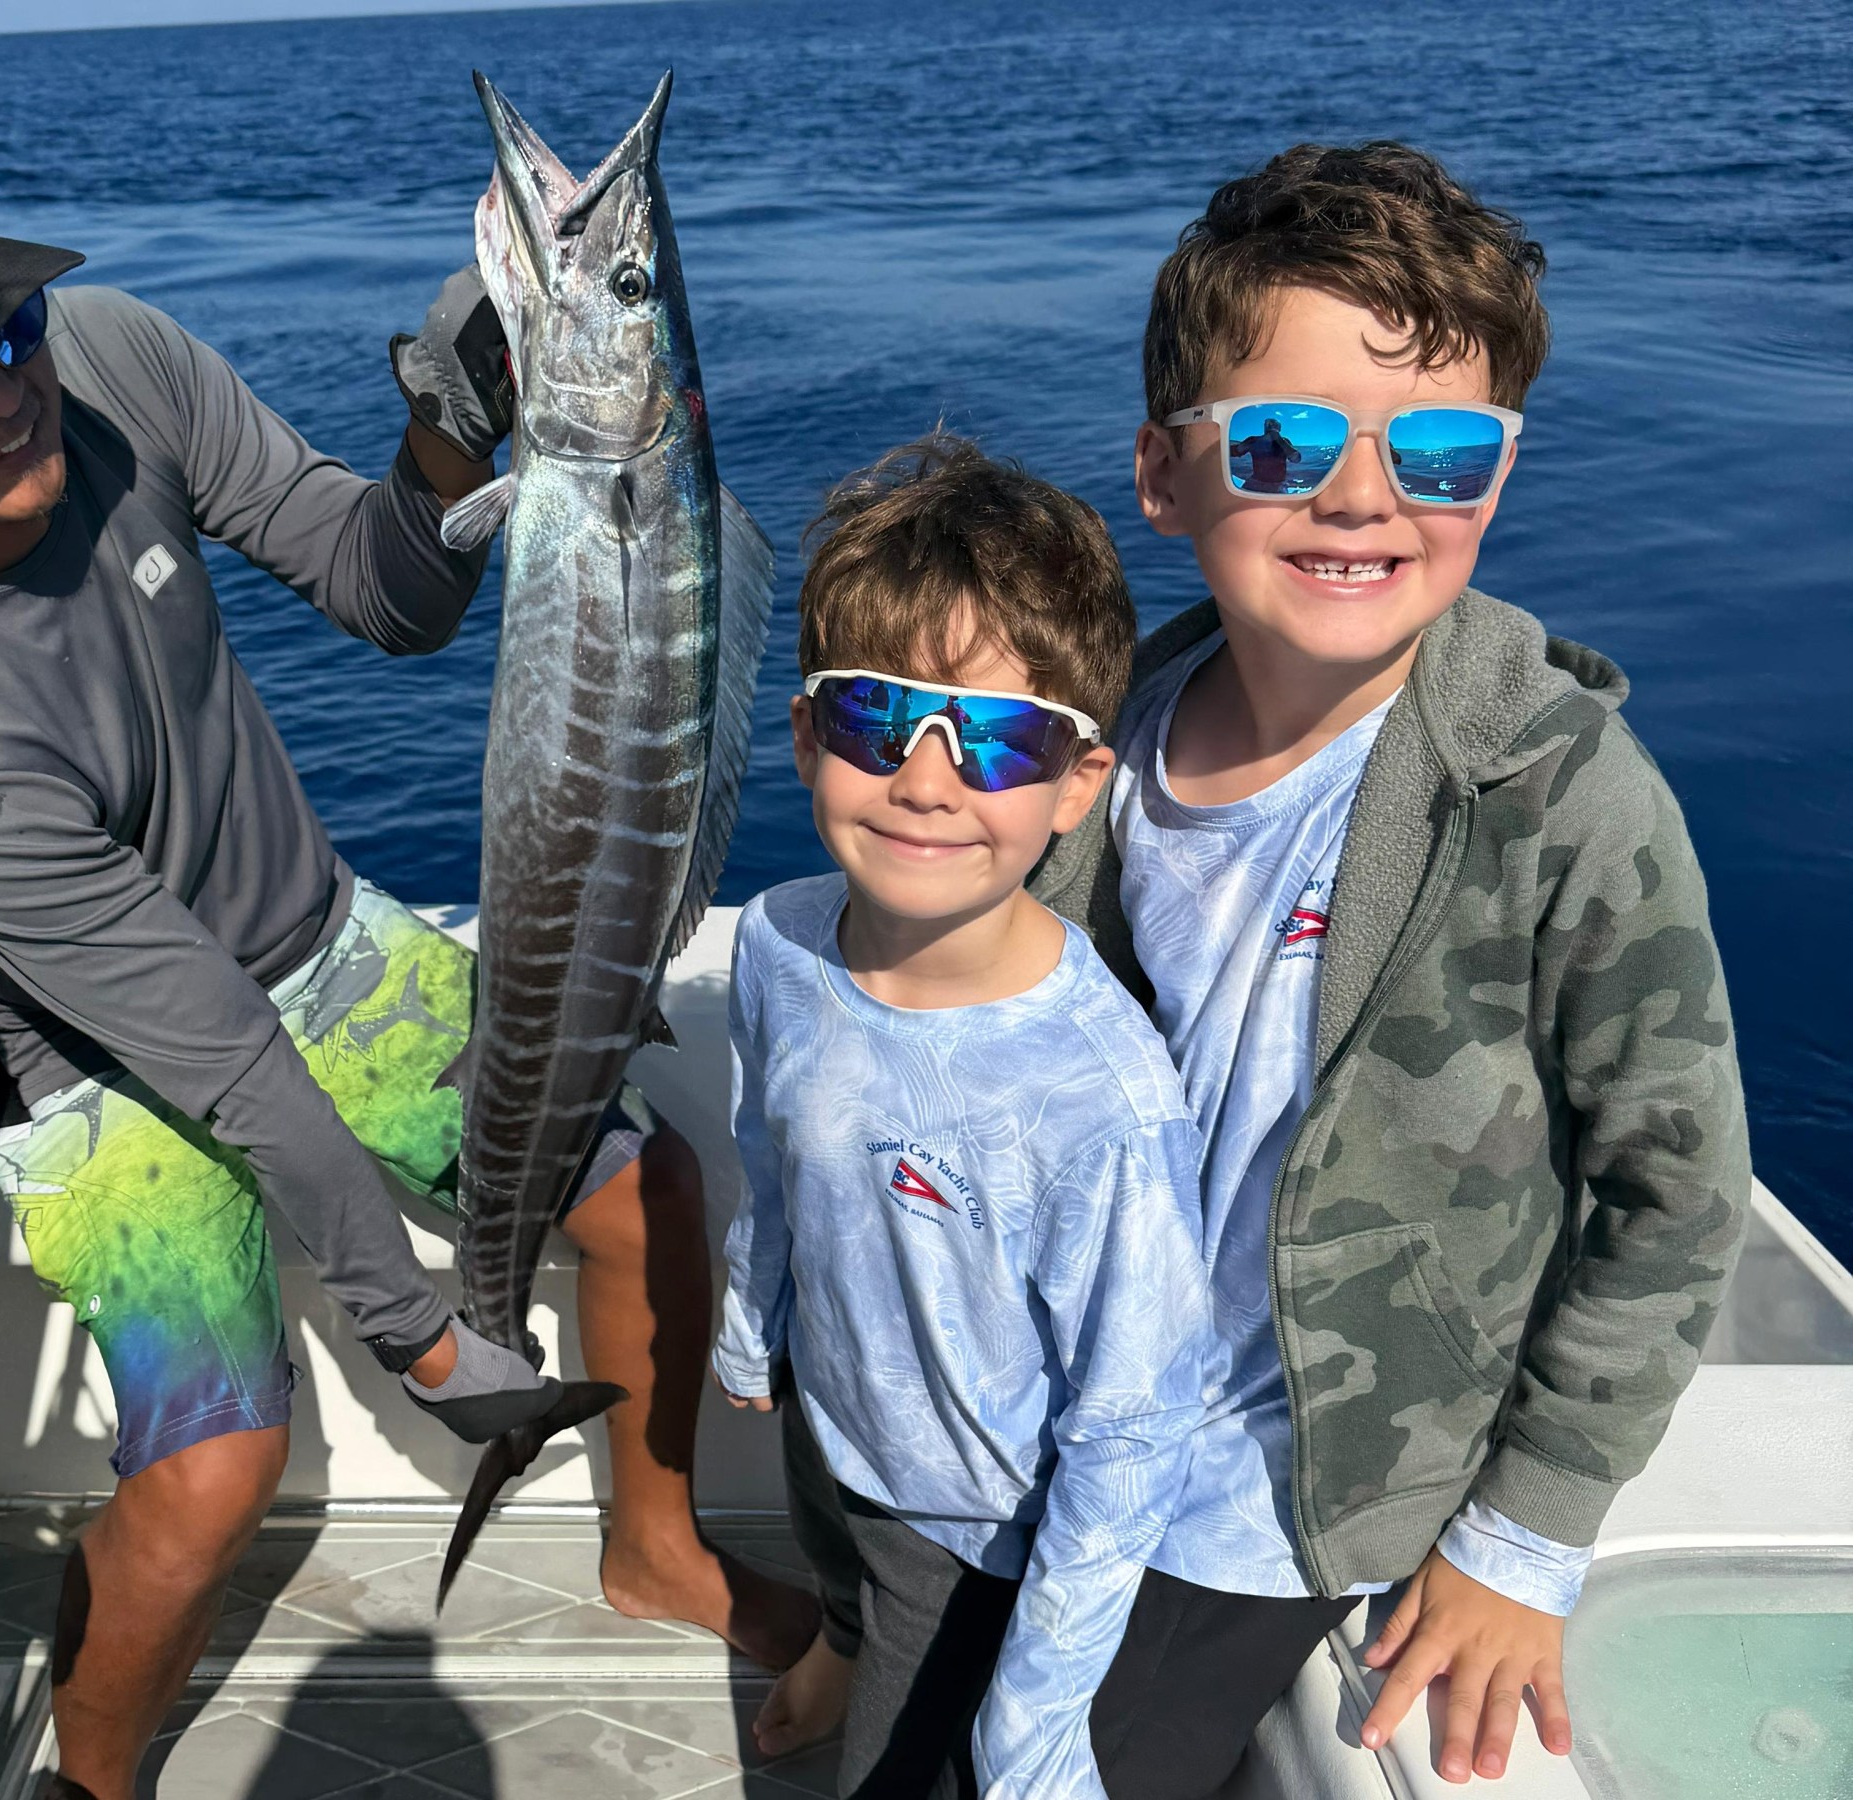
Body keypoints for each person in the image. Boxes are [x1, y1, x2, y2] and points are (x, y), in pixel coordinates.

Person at [0, 126, 812, 1800]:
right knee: (219, 1467)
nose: (3, 392)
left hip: (313, 940)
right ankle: (91, 1776)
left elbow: (385, 593)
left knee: (646, 1193)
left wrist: (450, 440)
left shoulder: (108, 360)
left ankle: (652, 1549)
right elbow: (216, 1052)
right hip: (102, 1069)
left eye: (0, 325)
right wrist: (426, 1341)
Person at [1040, 142, 1749, 1795]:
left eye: (1439, 449)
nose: (1365, 500)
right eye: (1284, 443)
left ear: (1498, 473)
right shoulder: (1096, 744)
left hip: (1279, 1498)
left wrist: (1526, 1536)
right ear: (1165, 471)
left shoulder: (1563, 793)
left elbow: (1681, 1188)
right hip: (1065, 1431)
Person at [711, 436, 1214, 1799]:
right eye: (880, 720)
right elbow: (774, 1145)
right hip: (832, 1412)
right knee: (835, 1551)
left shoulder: (1097, 1097)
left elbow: (1129, 1427)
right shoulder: (776, 941)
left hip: (972, 1529)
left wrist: (1041, 1720)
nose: (929, 782)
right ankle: (834, 1637)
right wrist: (757, 1313)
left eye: (996, 739)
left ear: (1076, 784)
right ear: (810, 735)